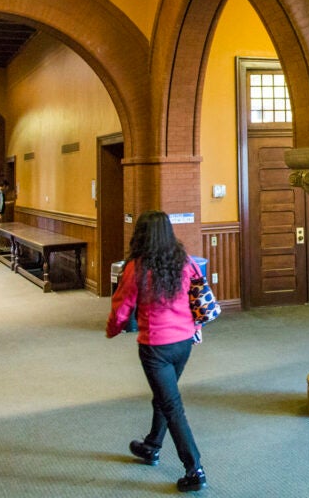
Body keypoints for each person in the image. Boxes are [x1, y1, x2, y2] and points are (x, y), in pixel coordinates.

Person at [106, 210, 207, 493]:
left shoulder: (136, 267)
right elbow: (198, 297)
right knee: (165, 396)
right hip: (184, 343)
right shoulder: (185, 262)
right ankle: (152, 445)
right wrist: (196, 329)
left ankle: (195, 469)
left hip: (156, 347)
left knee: (172, 405)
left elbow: (122, 306)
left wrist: (112, 329)